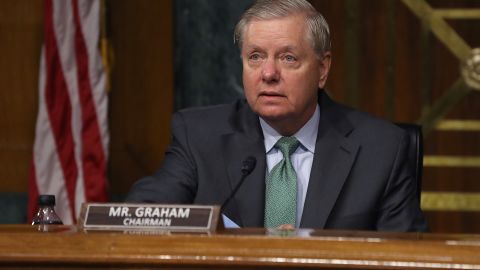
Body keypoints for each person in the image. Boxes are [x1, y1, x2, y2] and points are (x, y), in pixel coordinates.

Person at [127, 0, 428, 232]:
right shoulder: (199, 136)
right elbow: (142, 215)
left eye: (288, 58)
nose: (268, 74)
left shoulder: (381, 149)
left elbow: (407, 255)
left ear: (322, 69)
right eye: (255, 57)